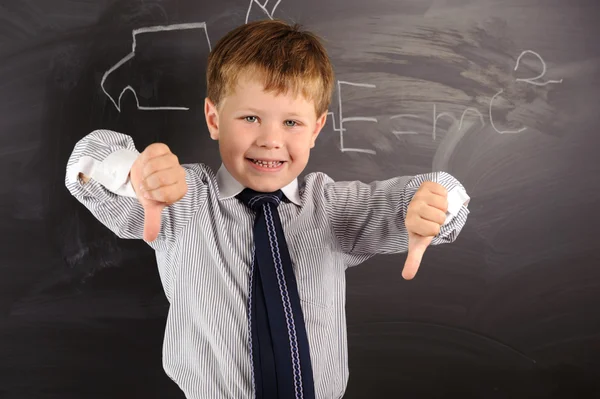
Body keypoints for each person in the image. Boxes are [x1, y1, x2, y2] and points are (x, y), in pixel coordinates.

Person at [65, 19, 470, 399]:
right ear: (213, 118)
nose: (270, 140)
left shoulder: (330, 207)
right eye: (250, 117)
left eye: (292, 122)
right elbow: (85, 161)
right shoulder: (179, 200)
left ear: (316, 129)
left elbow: (426, 191)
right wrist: (134, 173)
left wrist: (434, 202)